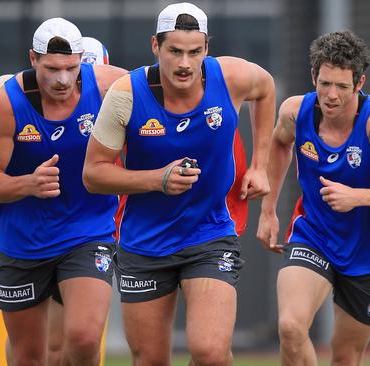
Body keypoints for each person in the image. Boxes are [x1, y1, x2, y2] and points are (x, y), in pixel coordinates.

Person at [82, 2, 275, 365]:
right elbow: (93, 174)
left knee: (211, 353)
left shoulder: (230, 77)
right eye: (174, 51)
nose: (185, 63)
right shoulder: (126, 94)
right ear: (155, 46)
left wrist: (261, 165)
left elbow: (265, 88)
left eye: (194, 52)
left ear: (206, 48)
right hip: (145, 240)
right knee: (151, 359)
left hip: (210, 232)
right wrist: (158, 180)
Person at [256, 30, 370, 365]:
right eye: (324, 84)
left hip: (369, 253)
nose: (332, 95)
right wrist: (268, 210)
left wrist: (359, 196)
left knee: (345, 357)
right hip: (314, 236)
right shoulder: (296, 112)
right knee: (291, 328)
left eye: (341, 86)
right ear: (313, 77)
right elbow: (280, 144)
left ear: (359, 82)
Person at [0, 18, 126, 365]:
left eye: (71, 69)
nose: (62, 79)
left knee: (84, 338)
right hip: (22, 239)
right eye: (52, 69)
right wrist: (27, 183)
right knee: (30, 355)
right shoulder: (6, 99)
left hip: (88, 232)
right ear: (33, 59)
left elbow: (168, 97)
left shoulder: (111, 86)